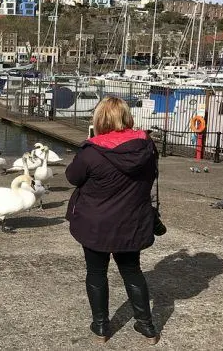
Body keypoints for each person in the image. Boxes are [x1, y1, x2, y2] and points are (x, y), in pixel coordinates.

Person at [65, 97, 160, 344]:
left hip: (96, 224)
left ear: (99, 120)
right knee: (132, 271)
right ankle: (147, 326)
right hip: (131, 221)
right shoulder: (147, 147)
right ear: (127, 118)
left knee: (96, 273)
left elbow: (72, 177)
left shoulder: (92, 152)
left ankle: (101, 327)